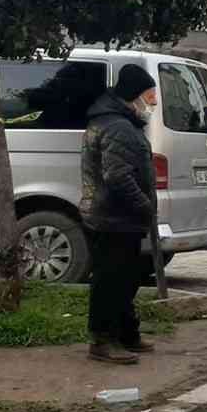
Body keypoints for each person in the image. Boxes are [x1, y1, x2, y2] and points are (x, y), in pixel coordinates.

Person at [80, 65, 160, 364]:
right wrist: (145, 205)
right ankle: (103, 341)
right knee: (111, 281)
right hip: (113, 217)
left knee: (125, 279)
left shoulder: (116, 122)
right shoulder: (119, 127)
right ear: (134, 97)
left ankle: (127, 334)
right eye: (150, 97)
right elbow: (117, 177)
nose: (152, 104)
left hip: (114, 216)